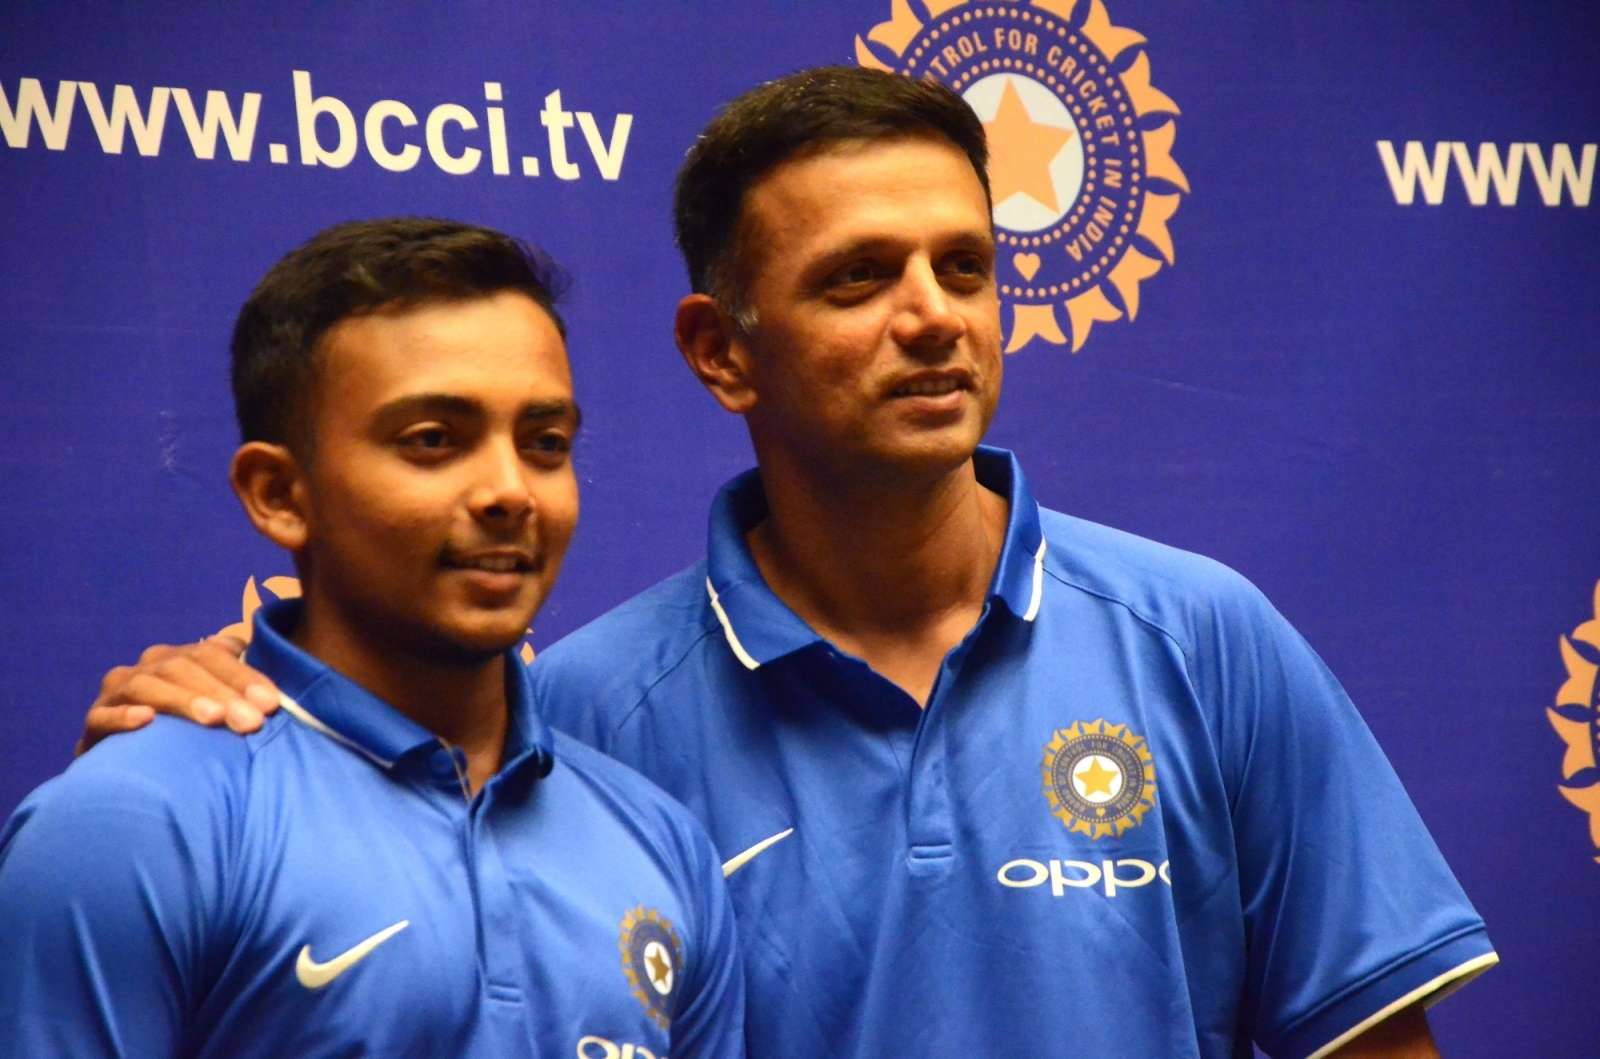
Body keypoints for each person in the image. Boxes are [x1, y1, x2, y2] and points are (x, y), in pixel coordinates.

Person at [79, 70, 1494, 1059]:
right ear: (719, 349)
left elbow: (1374, 1038)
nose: (934, 317)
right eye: (859, 277)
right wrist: (213, 709)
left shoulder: (1203, 637)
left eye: (965, 266)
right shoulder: (571, 715)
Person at [3, 218, 744, 1059]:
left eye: (545, 444)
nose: (509, 489)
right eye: (433, 441)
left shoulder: (662, 842)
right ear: (279, 493)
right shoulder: (132, 825)